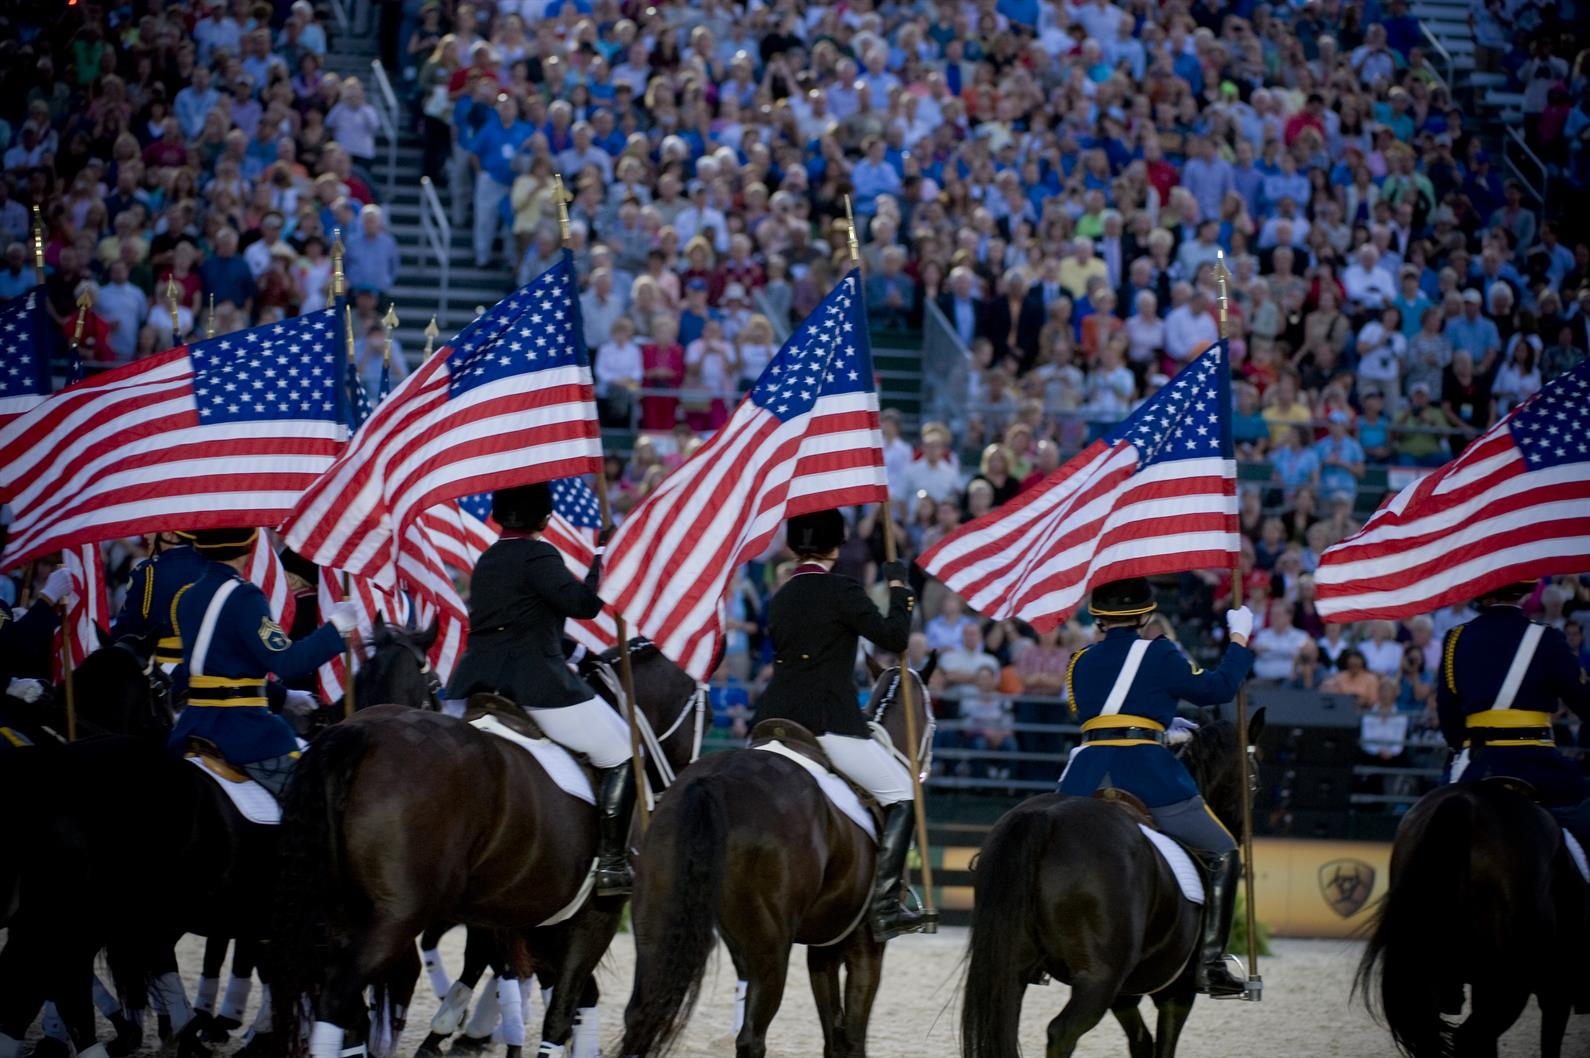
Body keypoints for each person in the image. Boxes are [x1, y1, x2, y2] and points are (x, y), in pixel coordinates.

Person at [1058, 577, 1255, 997]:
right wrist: (1239, 638)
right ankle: (1210, 964)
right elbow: (1217, 689)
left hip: (1085, 772)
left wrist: (1162, 724)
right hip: (1144, 770)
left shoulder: (1079, 661)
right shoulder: (1161, 650)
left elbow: (1093, 712)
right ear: (1145, 615)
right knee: (1223, 852)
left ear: (1098, 618)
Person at [749, 508, 932, 940]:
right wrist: (900, 589)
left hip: (772, 719)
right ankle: (886, 905)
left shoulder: (781, 595)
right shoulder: (842, 590)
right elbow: (895, 639)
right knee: (903, 792)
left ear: (796, 546)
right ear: (836, 545)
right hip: (826, 722)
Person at [445, 482, 636, 895]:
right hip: (531, 681)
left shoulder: (488, 559)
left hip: (474, 681)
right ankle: (611, 863)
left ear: (497, 516)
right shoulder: (538, 554)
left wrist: (569, 648)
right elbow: (585, 605)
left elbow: (518, 620)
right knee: (622, 754)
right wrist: (603, 557)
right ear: (546, 518)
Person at [170, 528, 356, 796]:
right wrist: (337, 628)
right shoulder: (244, 597)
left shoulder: (189, 595)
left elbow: (216, 672)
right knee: (315, 798)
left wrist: (283, 697)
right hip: (239, 730)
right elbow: (288, 663)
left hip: (192, 724)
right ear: (249, 545)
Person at [1438, 580, 1590, 850]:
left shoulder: (1456, 638)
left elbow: (1447, 713)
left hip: (1475, 763)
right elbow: (1582, 700)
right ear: (1525, 592)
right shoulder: (1547, 637)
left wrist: (1464, 748)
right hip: (1536, 762)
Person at [111, 530, 220, 671]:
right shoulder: (216, 566)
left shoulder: (148, 572)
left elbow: (128, 631)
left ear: (169, 534)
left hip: (166, 675)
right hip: (213, 671)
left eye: (152, 530)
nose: (146, 535)